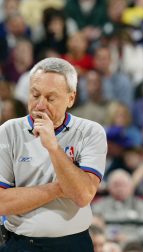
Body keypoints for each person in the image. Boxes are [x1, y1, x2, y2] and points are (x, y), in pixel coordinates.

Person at [0, 57, 107, 252]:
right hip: (19, 244)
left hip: (72, 245)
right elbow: (1, 202)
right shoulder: (8, 131)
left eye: (50, 98)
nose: (40, 105)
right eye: (35, 95)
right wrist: (59, 188)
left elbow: (83, 196)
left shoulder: (91, 132)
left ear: (71, 98)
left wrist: (53, 147)